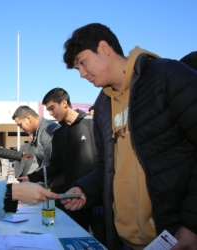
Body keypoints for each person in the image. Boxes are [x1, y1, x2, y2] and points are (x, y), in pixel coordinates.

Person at [61, 23, 197, 249]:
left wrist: (192, 225)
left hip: (176, 238)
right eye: (77, 69)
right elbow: (107, 168)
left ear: (104, 48)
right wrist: (85, 189)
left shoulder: (167, 76)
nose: (82, 74)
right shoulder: (102, 108)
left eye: (82, 62)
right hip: (125, 242)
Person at [19, 88, 106, 246]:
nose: (51, 113)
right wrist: (32, 177)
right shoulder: (58, 134)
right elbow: (56, 166)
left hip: (98, 199)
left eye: (52, 108)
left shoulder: (92, 123)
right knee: (75, 242)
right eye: (48, 110)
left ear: (64, 103)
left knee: (103, 242)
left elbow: (105, 162)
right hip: (73, 198)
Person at [12, 106, 60, 186]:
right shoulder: (37, 133)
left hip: (58, 184)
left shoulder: (47, 129)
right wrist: (28, 180)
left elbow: (48, 162)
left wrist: (34, 186)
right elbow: (37, 161)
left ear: (28, 118)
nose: (21, 129)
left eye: (20, 125)